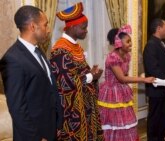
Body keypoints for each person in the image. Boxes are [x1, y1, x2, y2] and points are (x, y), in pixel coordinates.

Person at [0, 5, 62, 141]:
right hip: (33, 135)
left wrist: (58, 124)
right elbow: (17, 108)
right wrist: (36, 138)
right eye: (45, 25)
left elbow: (50, 88)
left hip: (50, 129)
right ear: (33, 27)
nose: (48, 29)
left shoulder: (37, 51)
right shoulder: (12, 59)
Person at [49, 2, 104, 140]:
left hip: (85, 107)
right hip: (71, 113)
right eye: (83, 27)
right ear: (72, 27)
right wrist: (92, 76)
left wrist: (91, 73)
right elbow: (67, 83)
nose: (86, 31)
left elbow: (77, 73)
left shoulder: (75, 47)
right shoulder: (60, 50)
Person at [98, 25, 155, 141]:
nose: (131, 44)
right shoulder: (112, 58)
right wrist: (143, 79)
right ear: (118, 42)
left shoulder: (126, 56)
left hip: (122, 91)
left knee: (125, 123)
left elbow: (125, 77)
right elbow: (122, 78)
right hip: (111, 93)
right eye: (128, 41)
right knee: (115, 124)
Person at [143, 18, 165, 141]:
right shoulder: (151, 45)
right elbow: (153, 69)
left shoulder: (161, 43)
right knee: (155, 119)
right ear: (158, 28)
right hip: (157, 90)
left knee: (164, 118)